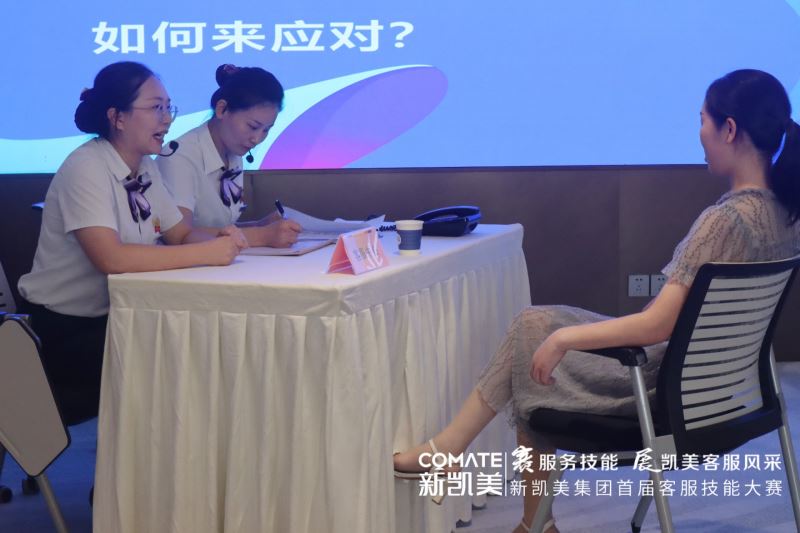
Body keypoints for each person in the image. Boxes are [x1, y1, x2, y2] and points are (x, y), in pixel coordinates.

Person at [393, 69, 800, 533]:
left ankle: (478, 476)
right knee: (533, 328)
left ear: (729, 129)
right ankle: (483, 480)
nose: (699, 133)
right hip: (725, 395)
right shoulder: (786, 217)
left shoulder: (724, 220)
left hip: (661, 389)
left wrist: (565, 338)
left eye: (702, 120)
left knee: (535, 339)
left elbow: (657, 326)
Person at [18, 61, 247, 426]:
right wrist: (205, 252)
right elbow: (111, 258)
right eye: (156, 108)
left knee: (198, 344)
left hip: (120, 316)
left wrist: (221, 240)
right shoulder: (86, 166)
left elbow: (179, 234)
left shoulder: (145, 166)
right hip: (65, 330)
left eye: (168, 107)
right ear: (118, 117)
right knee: (181, 358)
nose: (167, 119)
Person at [157, 64, 301, 248]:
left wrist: (260, 226)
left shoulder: (233, 152)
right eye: (252, 126)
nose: (257, 139)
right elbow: (179, 235)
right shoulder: (180, 157)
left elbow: (220, 229)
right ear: (222, 109)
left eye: (266, 130)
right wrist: (261, 235)